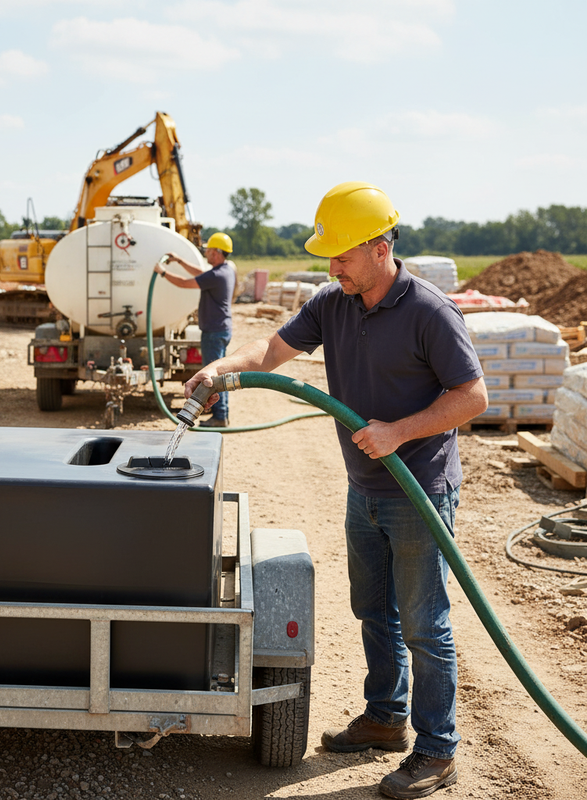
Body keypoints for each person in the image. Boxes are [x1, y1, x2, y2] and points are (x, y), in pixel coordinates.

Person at [184, 182, 488, 799]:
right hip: (364, 488)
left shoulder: (430, 312)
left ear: (380, 248)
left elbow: (473, 397)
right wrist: (222, 370)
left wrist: (399, 432)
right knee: (372, 611)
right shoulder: (332, 303)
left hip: (417, 491)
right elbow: (273, 347)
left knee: (424, 624)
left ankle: (437, 750)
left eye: (343, 254)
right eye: (329, 256)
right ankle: (385, 719)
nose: (333, 266)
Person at [156, 232, 237, 427]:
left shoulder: (217, 275)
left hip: (214, 332)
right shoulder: (225, 271)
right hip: (220, 329)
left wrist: (162, 272)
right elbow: (200, 274)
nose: (206, 253)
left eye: (208, 251)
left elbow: (185, 283)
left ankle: (220, 416)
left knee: (214, 376)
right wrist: (180, 261)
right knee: (219, 375)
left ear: (216, 253)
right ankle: (221, 415)